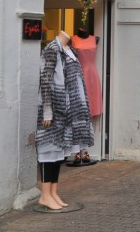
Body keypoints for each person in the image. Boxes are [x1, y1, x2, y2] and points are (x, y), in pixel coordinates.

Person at [35, 31, 93, 212]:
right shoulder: (52, 50)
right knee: (48, 151)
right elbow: (45, 80)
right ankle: (45, 195)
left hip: (67, 111)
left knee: (59, 153)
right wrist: (47, 111)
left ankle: (53, 192)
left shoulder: (69, 50)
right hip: (54, 110)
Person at [70, 28, 101, 164]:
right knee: (78, 112)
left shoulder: (95, 39)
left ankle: (87, 148)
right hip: (78, 75)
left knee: (91, 112)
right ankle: (77, 150)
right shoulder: (73, 39)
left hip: (92, 76)